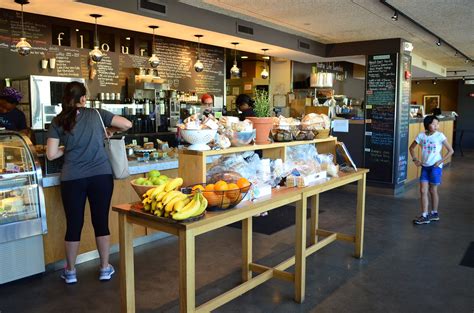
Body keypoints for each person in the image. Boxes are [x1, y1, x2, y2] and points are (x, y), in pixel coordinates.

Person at [46, 82, 132, 284]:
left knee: (73, 225)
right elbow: (127, 124)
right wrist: (108, 130)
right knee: (100, 222)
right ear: (83, 99)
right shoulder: (97, 114)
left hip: (72, 178)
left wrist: (67, 148)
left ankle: (71, 272)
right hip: (101, 176)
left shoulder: (58, 121)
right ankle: (104, 268)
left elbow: (50, 155)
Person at [409, 115, 453, 225]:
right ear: (427, 125)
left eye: (437, 124)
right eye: (434, 124)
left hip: (435, 167)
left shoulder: (440, 136)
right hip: (425, 166)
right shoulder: (421, 136)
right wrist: (415, 159)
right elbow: (411, 148)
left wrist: (440, 161)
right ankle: (424, 215)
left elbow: (450, 151)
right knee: (423, 191)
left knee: (433, 190)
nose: (436, 126)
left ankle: (434, 213)